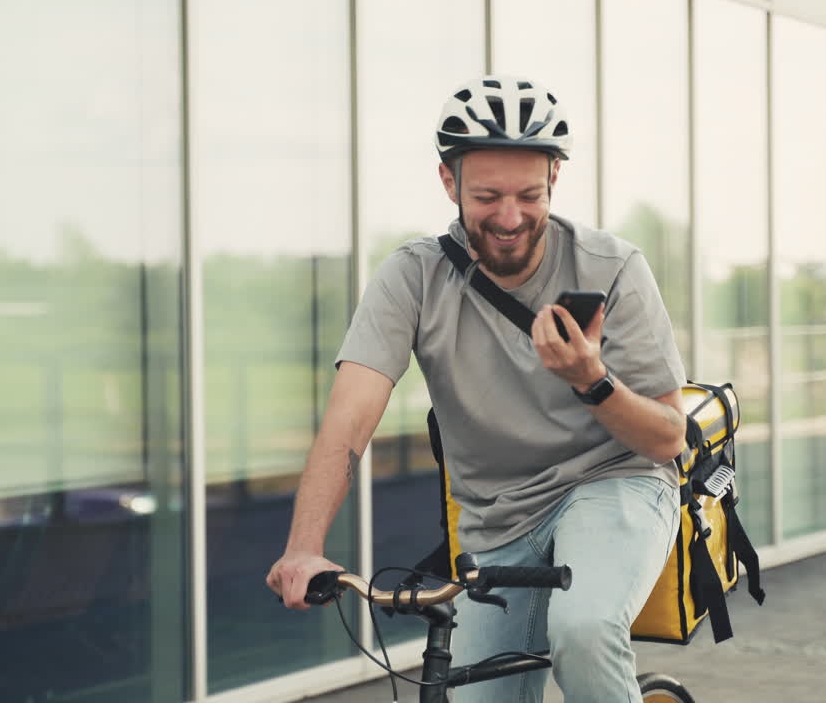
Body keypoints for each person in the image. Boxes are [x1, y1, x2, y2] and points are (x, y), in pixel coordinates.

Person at [266, 75, 687, 702]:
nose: (510, 218)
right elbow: (347, 426)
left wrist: (591, 380)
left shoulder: (611, 267)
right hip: (496, 519)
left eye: (529, 194)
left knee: (585, 628)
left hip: (613, 483)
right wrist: (304, 548)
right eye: (488, 196)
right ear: (449, 182)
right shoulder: (413, 277)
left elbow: (667, 437)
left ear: (554, 180)